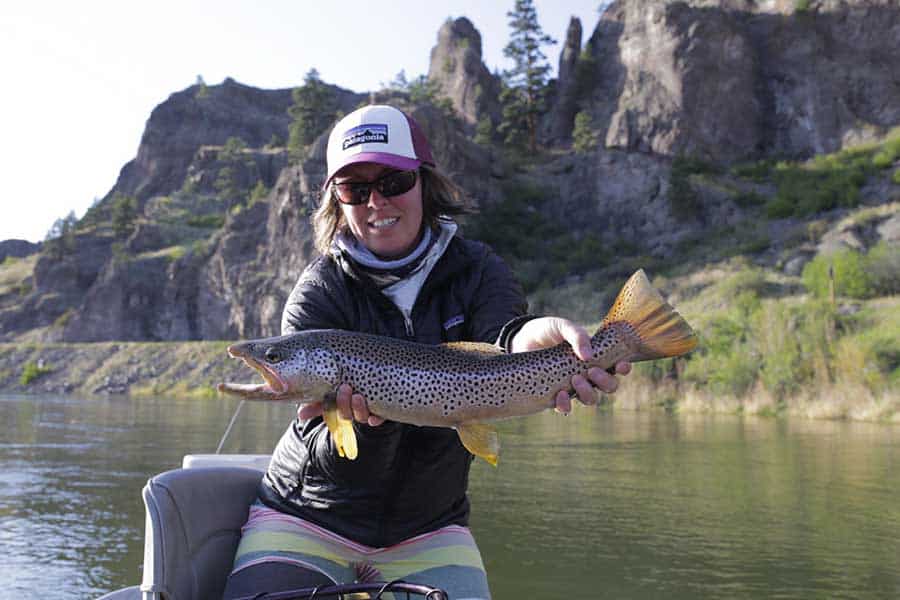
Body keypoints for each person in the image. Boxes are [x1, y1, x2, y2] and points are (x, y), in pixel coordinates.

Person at [222, 104, 630, 599]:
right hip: (306, 515)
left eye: (393, 181)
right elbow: (328, 457)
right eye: (355, 189)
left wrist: (536, 342)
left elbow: (506, 338)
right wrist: (363, 426)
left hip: (430, 526)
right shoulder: (319, 292)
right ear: (336, 200)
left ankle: (635, 331)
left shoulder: (478, 270)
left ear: (425, 183)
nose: (376, 202)